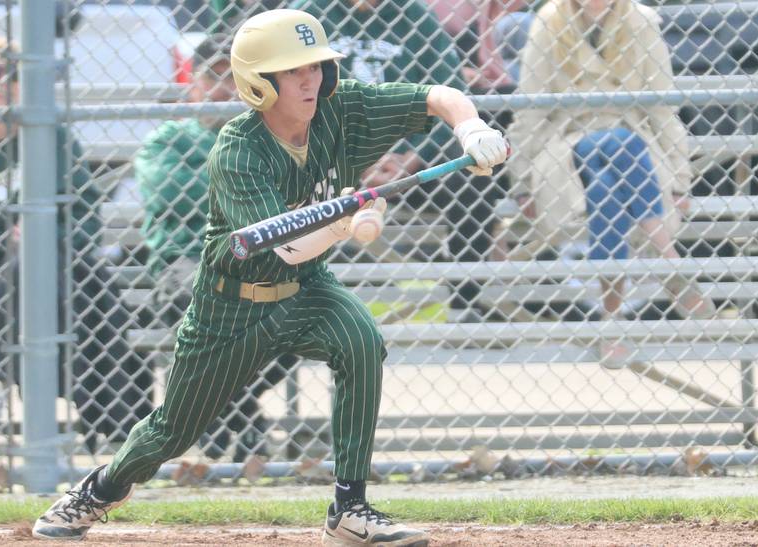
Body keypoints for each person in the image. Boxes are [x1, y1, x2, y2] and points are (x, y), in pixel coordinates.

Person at [32, 8, 506, 544]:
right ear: (259, 83)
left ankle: (350, 507)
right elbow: (284, 248)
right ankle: (100, 489)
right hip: (231, 304)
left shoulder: (342, 106)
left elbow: (436, 94)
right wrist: (347, 219)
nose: (311, 80)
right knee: (173, 430)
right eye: (293, 71)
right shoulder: (239, 147)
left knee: (361, 341)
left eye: (317, 67)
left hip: (307, 289)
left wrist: (471, 126)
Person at [506, 0, 716, 367]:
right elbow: (531, 108)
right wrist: (522, 181)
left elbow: (662, 106)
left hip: (633, 142)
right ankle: (672, 264)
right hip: (567, 143)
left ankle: (611, 321)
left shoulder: (642, 21)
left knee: (607, 184)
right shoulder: (548, 22)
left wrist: (680, 179)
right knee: (621, 147)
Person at [0, 37, 154, 464]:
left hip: (54, 271)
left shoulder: (53, 138)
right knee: (25, 273)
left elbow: (86, 215)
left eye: (16, 75)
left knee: (90, 284)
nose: (4, 85)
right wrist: (4, 237)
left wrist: (42, 234)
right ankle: (111, 420)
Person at [136, 33, 295, 463]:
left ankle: (214, 416)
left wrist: (219, 183)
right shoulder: (168, 138)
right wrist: (245, 185)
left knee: (303, 310)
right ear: (195, 83)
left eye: (234, 77)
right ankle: (243, 422)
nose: (225, 87)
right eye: (214, 76)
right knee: (215, 302)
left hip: (259, 258)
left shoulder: (267, 137)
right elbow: (168, 190)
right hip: (186, 259)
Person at [297, 0, 509, 321]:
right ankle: (298, 305)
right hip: (329, 155)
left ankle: (465, 301)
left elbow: (450, 89)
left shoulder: (412, 14)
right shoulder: (308, 14)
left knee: (471, 176)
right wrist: (353, 157)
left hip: (407, 162)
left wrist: (415, 156)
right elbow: (289, 102)